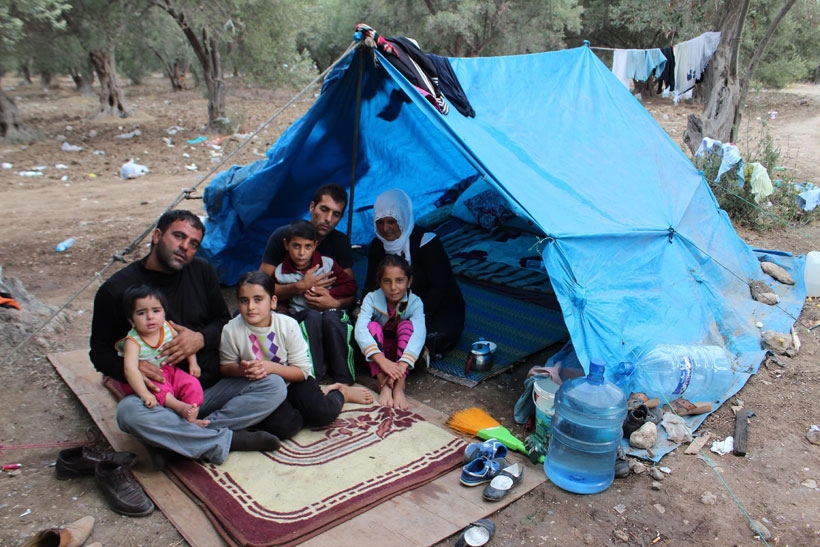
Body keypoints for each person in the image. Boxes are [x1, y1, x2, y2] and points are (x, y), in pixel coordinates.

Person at [90, 210, 286, 467]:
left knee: (274, 385)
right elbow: (99, 353)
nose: (185, 247)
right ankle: (225, 440)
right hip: (160, 398)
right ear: (157, 235)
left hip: (209, 388)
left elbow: (224, 322)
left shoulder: (202, 271)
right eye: (179, 236)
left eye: (193, 244)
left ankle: (174, 440)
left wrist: (200, 339)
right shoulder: (116, 290)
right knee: (129, 414)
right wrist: (131, 367)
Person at [220, 271, 373, 440]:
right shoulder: (231, 330)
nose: (251, 307)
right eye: (244, 301)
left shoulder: (287, 325)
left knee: (323, 414)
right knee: (284, 427)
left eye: (258, 299)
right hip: (260, 389)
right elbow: (226, 368)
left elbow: (301, 371)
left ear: (272, 302)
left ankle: (341, 393)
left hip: (292, 380)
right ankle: (297, 411)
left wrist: (270, 368)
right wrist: (243, 370)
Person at [363, 188, 465, 359]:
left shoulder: (426, 243)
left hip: (435, 309)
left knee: (431, 336)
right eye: (380, 222)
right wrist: (365, 309)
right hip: (393, 309)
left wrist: (410, 317)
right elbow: (371, 284)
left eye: (392, 221)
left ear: (403, 218)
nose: (386, 228)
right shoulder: (377, 245)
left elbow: (439, 288)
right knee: (365, 329)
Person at [274, 220, 357, 383]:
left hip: (329, 312)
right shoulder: (281, 273)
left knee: (333, 318)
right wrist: (300, 287)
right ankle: (314, 375)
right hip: (302, 317)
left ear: (315, 245)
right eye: (296, 246)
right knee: (312, 317)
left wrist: (329, 293)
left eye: (307, 246)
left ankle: (344, 376)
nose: (301, 253)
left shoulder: (327, 264)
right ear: (286, 245)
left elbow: (351, 286)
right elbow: (277, 298)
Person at [260, 183, 355, 312]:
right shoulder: (283, 236)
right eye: (324, 209)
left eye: (336, 215)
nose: (328, 219)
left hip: (326, 314)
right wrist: (299, 287)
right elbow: (260, 286)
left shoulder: (340, 242)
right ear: (312, 207)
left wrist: (334, 303)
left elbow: (351, 292)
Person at [117, 284, 205, 424]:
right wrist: (144, 393)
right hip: (144, 378)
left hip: (169, 370)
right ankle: (179, 407)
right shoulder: (133, 341)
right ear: (131, 320)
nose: (150, 317)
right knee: (159, 388)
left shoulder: (167, 328)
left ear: (164, 312)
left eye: (156, 310)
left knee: (192, 383)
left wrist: (193, 363)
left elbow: (185, 344)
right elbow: (130, 369)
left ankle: (192, 416)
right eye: (141, 313)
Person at [355, 255, 425, 409]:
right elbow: (360, 330)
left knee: (408, 326)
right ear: (379, 282)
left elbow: (419, 335)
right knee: (371, 327)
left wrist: (401, 366)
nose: (393, 288)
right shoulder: (371, 299)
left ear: (409, 281)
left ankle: (399, 387)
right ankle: (384, 385)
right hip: (376, 358)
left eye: (399, 280)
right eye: (387, 281)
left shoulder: (415, 302)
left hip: (401, 358)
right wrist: (382, 361)